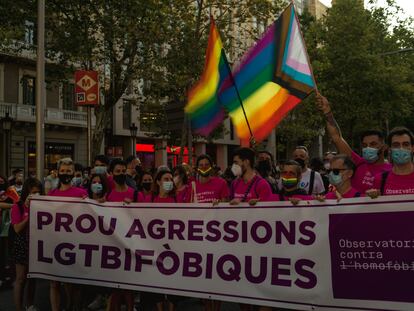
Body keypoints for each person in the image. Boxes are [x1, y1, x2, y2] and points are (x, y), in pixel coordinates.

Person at [316, 93, 391, 193]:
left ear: (384, 147)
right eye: (364, 145)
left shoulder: (392, 171)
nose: (368, 148)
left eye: (373, 144)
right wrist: (327, 112)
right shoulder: (357, 163)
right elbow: (336, 137)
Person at [48, 158, 88, 311]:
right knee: (54, 283)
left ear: (73, 173)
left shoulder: (82, 193)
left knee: (71, 282)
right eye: (63, 171)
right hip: (54, 243)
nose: (65, 174)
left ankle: (71, 306)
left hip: (74, 244)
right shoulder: (51, 194)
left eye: (68, 171)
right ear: (57, 172)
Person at [105, 159, 141, 311]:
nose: (120, 174)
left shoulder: (135, 194)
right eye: (117, 171)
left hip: (131, 244)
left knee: (129, 285)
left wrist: (133, 207)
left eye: (122, 171)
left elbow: (144, 217)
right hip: (114, 245)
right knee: (115, 285)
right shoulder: (108, 196)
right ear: (112, 174)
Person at [11, 178, 42, 311]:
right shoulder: (17, 206)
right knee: (21, 278)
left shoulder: (43, 206)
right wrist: (29, 212)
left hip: (36, 242)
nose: (36, 195)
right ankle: (18, 308)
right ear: (26, 193)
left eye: (38, 192)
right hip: (22, 243)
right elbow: (17, 228)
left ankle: (30, 305)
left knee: (32, 277)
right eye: (33, 192)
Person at [367, 127, 414, 197]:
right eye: (396, 145)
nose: (401, 148)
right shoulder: (379, 179)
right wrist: (370, 198)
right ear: (390, 149)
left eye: (406, 144)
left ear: (413, 148)